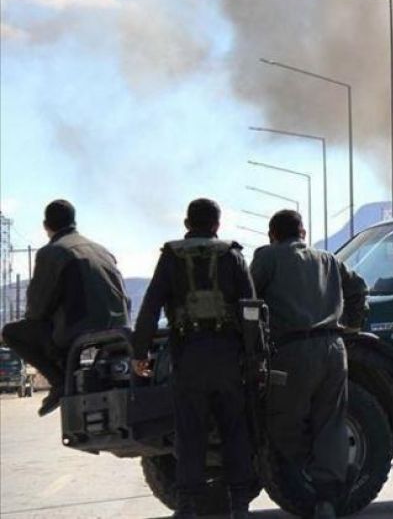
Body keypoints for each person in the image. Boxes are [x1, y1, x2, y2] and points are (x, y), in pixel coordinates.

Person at [130, 199, 255, 519]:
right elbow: (251, 309)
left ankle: (187, 506)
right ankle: (240, 505)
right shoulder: (232, 255)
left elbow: (150, 306)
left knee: (189, 433)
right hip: (227, 355)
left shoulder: (171, 256)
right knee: (234, 430)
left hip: (188, 356)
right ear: (217, 225)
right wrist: (254, 356)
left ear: (187, 224)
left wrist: (140, 353)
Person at [251, 209, 367, 519]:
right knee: (330, 421)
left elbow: (247, 299)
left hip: (291, 352)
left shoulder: (268, 257)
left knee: (282, 421)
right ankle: (328, 494)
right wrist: (353, 325)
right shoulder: (328, 259)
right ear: (303, 233)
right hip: (334, 348)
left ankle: (313, 472)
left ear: (272, 235)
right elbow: (358, 288)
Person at [1, 199, 129, 416]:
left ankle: (59, 381)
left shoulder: (53, 252)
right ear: (74, 221)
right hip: (119, 326)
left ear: (46, 226)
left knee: (11, 332)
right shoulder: (102, 250)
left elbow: (36, 310)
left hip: (79, 329)